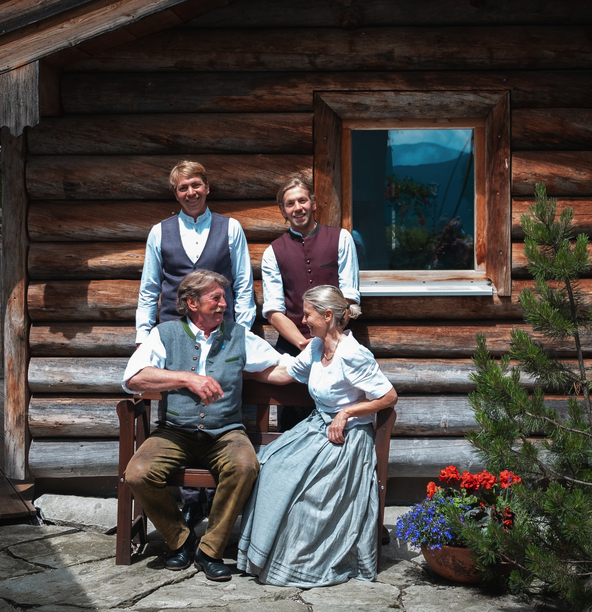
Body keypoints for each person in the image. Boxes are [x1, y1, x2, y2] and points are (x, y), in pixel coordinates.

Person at [122, 270, 288, 582]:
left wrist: (321, 361)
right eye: (216, 298)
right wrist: (187, 377)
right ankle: (180, 540)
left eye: (224, 297)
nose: (224, 304)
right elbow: (133, 378)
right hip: (175, 431)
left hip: (226, 432)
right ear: (192, 303)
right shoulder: (165, 334)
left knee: (245, 466)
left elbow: (278, 368)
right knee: (138, 473)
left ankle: (209, 550)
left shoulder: (238, 336)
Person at [237, 285, 397, 587]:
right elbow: (284, 374)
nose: (303, 320)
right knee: (269, 466)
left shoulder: (353, 354)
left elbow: (388, 396)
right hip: (317, 428)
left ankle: (298, 563)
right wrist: (236, 369)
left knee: (307, 494)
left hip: (347, 438)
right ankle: (262, 553)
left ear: (327, 315)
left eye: (308, 314)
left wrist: (346, 413)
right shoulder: (315, 346)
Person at [136, 160, 257, 529]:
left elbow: (244, 286)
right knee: (180, 416)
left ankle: (218, 499)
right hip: (177, 337)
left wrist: (240, 333)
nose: (190, 193)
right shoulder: (160, 232)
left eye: (196, 185)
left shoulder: (230, 228)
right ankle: (190, 504)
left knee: (221, 414)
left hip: (221, 333)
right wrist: (144, 340)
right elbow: (149, 288)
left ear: (207, 187)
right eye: (183, 188)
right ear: (176, 193)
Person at [261, 177, 360, 432]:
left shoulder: (341, 238)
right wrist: (303, 344)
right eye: (290, 203)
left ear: (314, 203)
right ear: (283, 211)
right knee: (292, 421)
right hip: (294, 345)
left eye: (303, 200)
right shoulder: (273, 251)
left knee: (338, 419)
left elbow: (348, 299)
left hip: (337, 343)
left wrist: (326, 339)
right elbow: (273, 311)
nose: (298, 207)